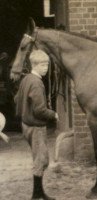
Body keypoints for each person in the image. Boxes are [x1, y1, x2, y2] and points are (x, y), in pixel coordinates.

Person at [14, 50, 59, 200]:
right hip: (36, 127)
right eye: (42, 65)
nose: (46, 67)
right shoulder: (37, 83)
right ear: (34, 64)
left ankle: (38, 193)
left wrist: (23, 113)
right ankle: (36, 195)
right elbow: (39, 110)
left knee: (40, 158)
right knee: (41, 160)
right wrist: (53, 114)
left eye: (47, 64)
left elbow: (16, 99)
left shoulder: (26, 79)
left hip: (26, 124)